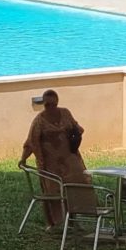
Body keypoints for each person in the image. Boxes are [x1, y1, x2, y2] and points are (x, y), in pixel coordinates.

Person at [18, 89, 94, 228]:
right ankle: (55, 223)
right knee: (53, 191)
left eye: (53, 104)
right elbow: (31, 142)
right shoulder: (39, 120)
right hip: (50, 162)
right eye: (48, 105)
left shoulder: (65, 113)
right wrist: (23, 159)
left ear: (57, 103)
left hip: (68, 159)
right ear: (44, 104)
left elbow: (77, 128)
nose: (51, 108)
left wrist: (73, 138)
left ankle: (74, 219)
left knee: (74, 187)